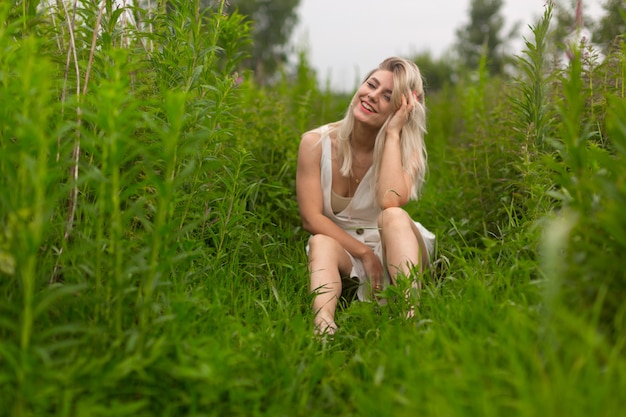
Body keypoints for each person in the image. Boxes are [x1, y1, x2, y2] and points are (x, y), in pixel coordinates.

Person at [296, 57, 435, 335]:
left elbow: (389, 200)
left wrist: (393, 133)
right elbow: (311, 218)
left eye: (387, 97)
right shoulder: (314, 143)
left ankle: (410, 318)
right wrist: (362, 253)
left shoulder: (408, 150)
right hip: (344, 248)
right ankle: (324, 326)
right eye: (371, 85)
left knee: (393, 215)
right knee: (320, 240)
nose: (372, 96)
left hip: (396, 245)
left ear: (400, 110)